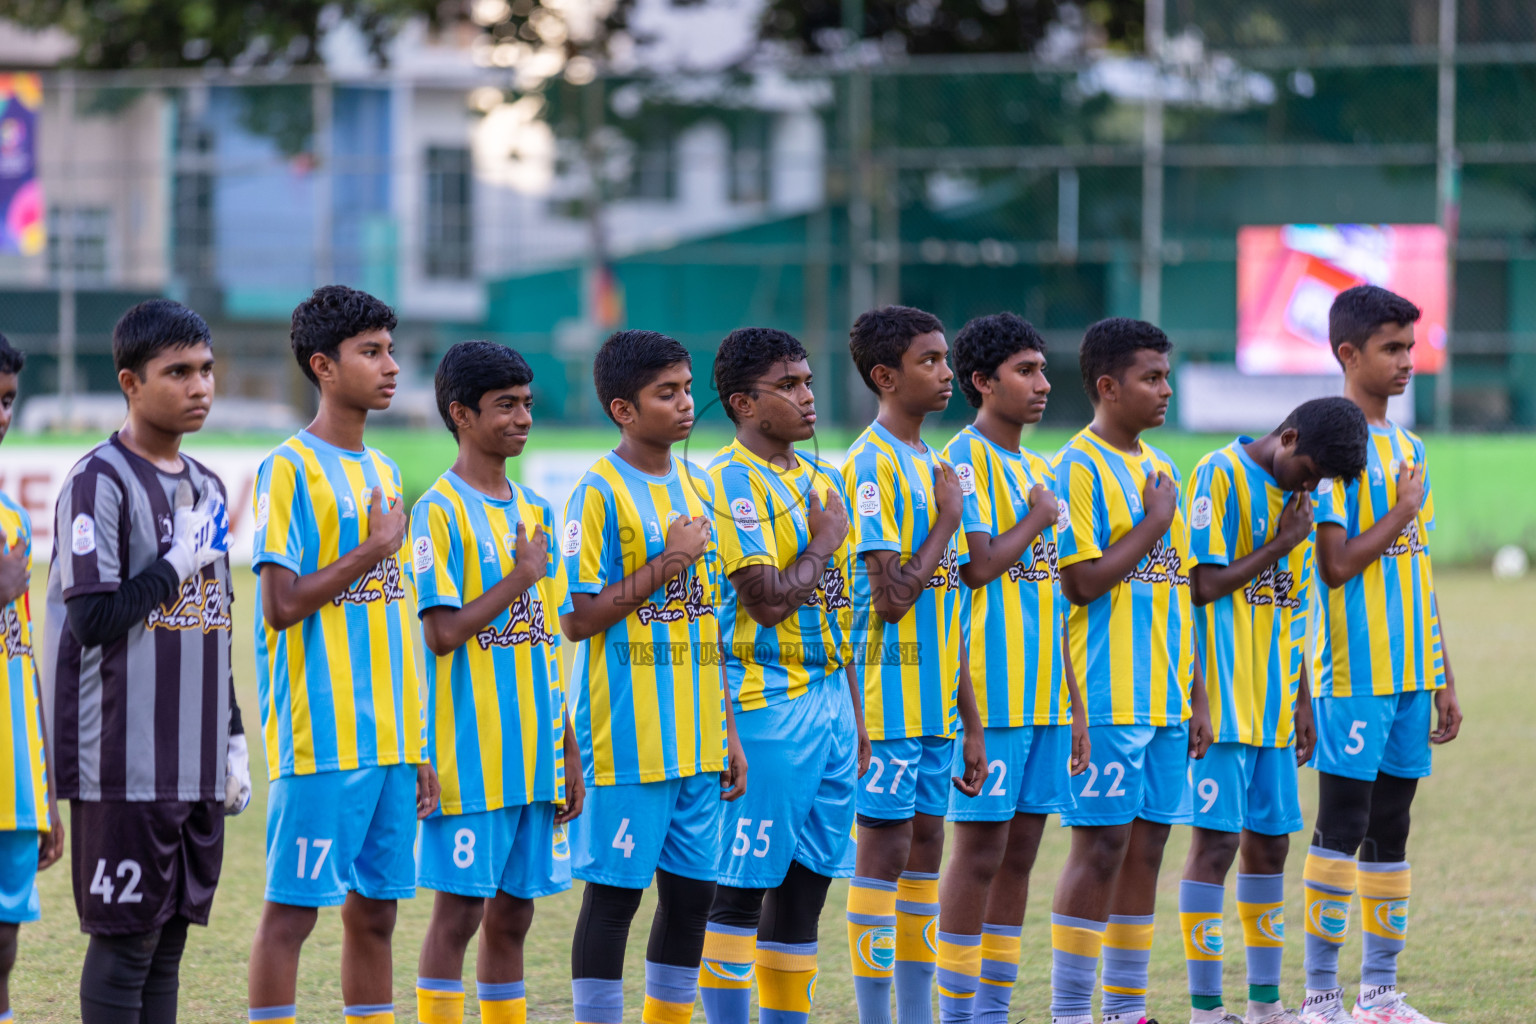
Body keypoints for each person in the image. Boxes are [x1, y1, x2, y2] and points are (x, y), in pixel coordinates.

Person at [40, 300, 250, 1024]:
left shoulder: (210, 487)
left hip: (193, 759)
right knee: (126, 945)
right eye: (178, 372)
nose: (200, 386)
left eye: (206, 369)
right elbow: (93, 618)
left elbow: (211, 624)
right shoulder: (96, 482)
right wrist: (176, 560)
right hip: (122, 761)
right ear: (131, 382)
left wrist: (231, 733)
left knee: (168, 946)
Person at [246, 285, 439, 1024]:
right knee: (292, 916)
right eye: (371, 352)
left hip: (392, 741)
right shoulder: (288, 468)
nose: (391, 366)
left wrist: (417, 740)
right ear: (324, 366)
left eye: (391, 350)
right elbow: (280, 604)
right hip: (322, 738)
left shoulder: (386, 472)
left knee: (379, 916)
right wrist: (373, 549)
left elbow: (393, 619)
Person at [561, 329, 747, 1024]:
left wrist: (727, 730)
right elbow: (580, 619)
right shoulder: (598, 492)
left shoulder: (696, 485)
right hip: (627, 742)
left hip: (698, 741)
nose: (685, 403)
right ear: (624, 410)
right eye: (664, 393)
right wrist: (669, 560)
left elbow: (709, 627)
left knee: (693, 897)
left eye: (686, 388)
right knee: (614, 900)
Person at [1298, 286, 1462, 1024]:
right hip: (1351, 673)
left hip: (1409, 673)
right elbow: (1334, 564)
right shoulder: (1332, 446)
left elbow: (1415, 570)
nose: (1406, 362)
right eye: (1391, 348)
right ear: (1347, 354)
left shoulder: (1410, 447)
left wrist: (1444, 674)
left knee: (1392, 826)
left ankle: (1380, 993)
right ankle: (1321, 995)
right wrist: (1398, 510)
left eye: (1409, 347)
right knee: (1342, 823)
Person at [697, 327, 869, 1024]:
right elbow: (767, 602)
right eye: (789, 386)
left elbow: (844, 610)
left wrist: (856, 713)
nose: (808, 396)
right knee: (740, 887)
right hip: (767, 704)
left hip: (831, 706)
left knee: (808, 884)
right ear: (743, 402)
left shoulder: (820, 482)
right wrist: (824, 539)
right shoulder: (731, 481)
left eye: (807, 381)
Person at [1179, 398, 1370, 1024]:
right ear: (1287, 437)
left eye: (1320, 483)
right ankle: (1207, 1009)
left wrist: (1304, 699)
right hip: (1221, 706)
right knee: (1216, 846)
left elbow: (1292, 604)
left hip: (1274, 705)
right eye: (1308, 471)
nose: (1310, 487)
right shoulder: (1218, 473)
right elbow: (1202, 585)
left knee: (1271, 846)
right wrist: (1282, 542)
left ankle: (1266, 1006)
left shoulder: (1305, 498)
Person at [411, 341, 585, 1024]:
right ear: (461, 414)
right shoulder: (439, 511)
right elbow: (443, 632)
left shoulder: (537, 509)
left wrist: (567, 745)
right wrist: (519, 579)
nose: (522, 418)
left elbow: (545, 642)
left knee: (514, 917)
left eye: (527, 404)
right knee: (458, 917)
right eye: (505, 405)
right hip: (468, 758)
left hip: (536, 756)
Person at [1047, 317, 1213, 1024]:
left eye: (1167, 376)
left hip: (1167, 699)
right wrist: (1150, 523)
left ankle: (1126, 1010)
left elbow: (1179, 586)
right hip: (1109, 692)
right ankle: (1070, 1012)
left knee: (1149, 845)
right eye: (1152, 378)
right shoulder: (1075, 467)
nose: (1165, 390)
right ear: (1108, 386)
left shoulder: (1162, 469)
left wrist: (1198, 693)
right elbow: (1081, 582)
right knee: (1102, 844)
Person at [935, 313, 1089, 1024]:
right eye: (1025, 371)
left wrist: (1076, 705)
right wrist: (1037, 518)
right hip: (987, 698)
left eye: (1043, 369)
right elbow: (976, 566)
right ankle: (958, 1011)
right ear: (981, 382)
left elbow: (1054, 597)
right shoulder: (959, 463)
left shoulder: (1037, 469)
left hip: (1045, 702)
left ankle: (992, 1012)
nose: (1042, 384)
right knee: (979, 851)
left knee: (1021, 852)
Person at [841, 305, 986, 1024]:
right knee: (886, 848)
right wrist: (948, 521)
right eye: (929, 360)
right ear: (884, 376)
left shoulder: (933, 463)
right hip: (885, 699)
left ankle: (915, 1012)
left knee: (928, 842)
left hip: (935, 705)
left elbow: (948, 608)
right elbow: (893, 599)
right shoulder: (869, 465)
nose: (946, 372)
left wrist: (971, 717)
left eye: (946, 357)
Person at [0, 333, 64, 1023]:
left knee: (5, 942)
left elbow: (21, 658)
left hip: (12, 777)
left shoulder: (12, 518)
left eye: (10, 401)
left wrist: (41, 789)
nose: (1, 415)